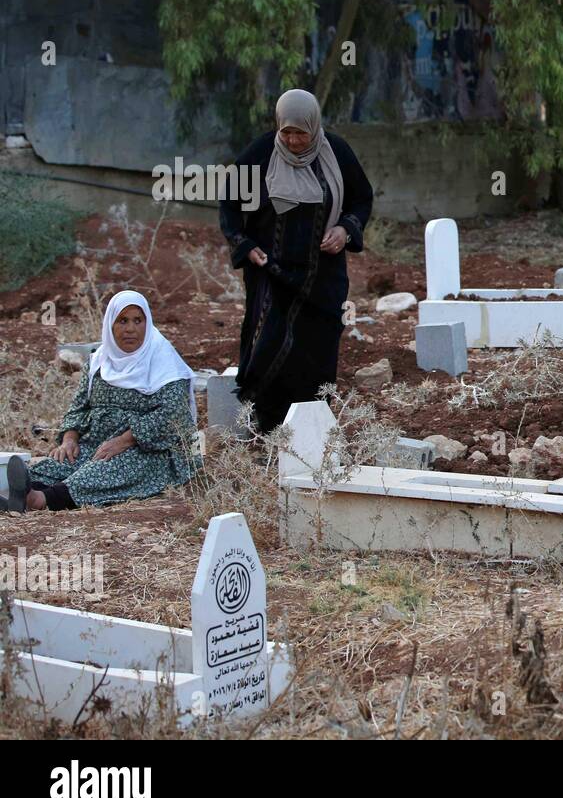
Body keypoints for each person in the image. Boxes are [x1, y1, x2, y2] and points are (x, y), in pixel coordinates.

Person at [219, 88, 374, 433]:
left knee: (315, 351)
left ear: (314, 126)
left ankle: (310, 431)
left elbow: (362, 199)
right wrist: (243, 243)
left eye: (300, 132)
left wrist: (345, 229)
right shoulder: (260, 154)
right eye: (285, 132)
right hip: (270, 275)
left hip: (322, 277)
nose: (292, 140)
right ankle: (265, 429)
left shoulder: (337, 153)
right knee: (268, 347)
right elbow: (228, 202)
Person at [5, 291, 197, 512]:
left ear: (147, 322)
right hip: (97, 443)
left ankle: (41, 500)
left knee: (101, 470)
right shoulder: (98, 362)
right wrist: (69, 440)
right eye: (122, 320)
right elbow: (78, 408)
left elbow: (172, 416)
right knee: (54, 465)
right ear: (110, 324)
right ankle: (21, 495)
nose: (130, 329)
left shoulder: (165, 362)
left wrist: (123, 441)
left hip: (149, 451)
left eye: (138, 320)